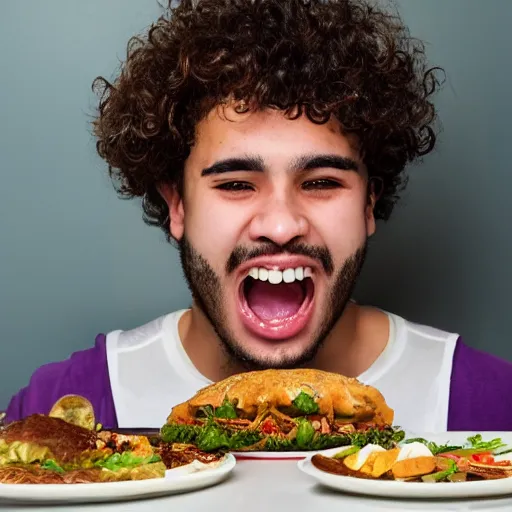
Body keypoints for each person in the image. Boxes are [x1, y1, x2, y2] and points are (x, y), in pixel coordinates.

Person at [4, 0, 512, 433]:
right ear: (177, 204)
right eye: (236, 185)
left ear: (369, 204)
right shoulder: (62, 410)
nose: (280, 224)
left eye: (320, 183)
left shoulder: (489, 406)